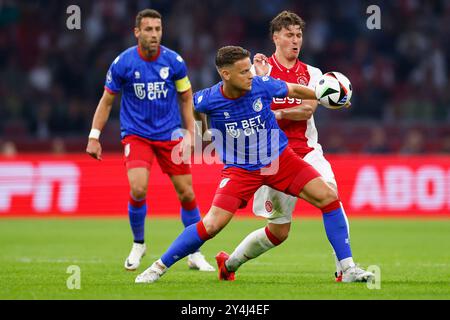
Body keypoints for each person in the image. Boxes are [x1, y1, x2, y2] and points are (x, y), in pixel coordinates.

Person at [135, 46, 374, 284]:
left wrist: (323, 97)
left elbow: (294, 89)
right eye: (243, 72)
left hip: (281, 160)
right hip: (241, 170)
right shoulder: (208, 98)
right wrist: (202, 132)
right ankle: (157, 267)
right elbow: (195, 107)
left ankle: (348, 269)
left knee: (329, 198)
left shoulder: (261, 85)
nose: (250, 75)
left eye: (250, 69)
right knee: (211, 224)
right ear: (226, 75)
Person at [229, 11, 362, 282]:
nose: (295, 40)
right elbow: (245, 111)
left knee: (331, 196)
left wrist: (275, 113)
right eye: (289, 34)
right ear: (275, 37)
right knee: (278, 232)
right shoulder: (255, 73)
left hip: (307, 151)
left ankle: (345, 268)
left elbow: (306, 110)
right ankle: (229, 263)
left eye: (299, 35)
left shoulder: (313, 74)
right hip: (272, 157)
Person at [86, 9, 214, 272]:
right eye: (148, 29)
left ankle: (195, 253)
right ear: (137, 32)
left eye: (158, 29)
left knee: (187, 193)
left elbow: (186, 97)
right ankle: (138, 243)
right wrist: (94, 136)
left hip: (169, 134)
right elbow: (107, 100)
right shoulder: (123, 63)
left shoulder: (174, 61)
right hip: (137, 134)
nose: (154, 34)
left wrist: (191, 133)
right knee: (139, 189)